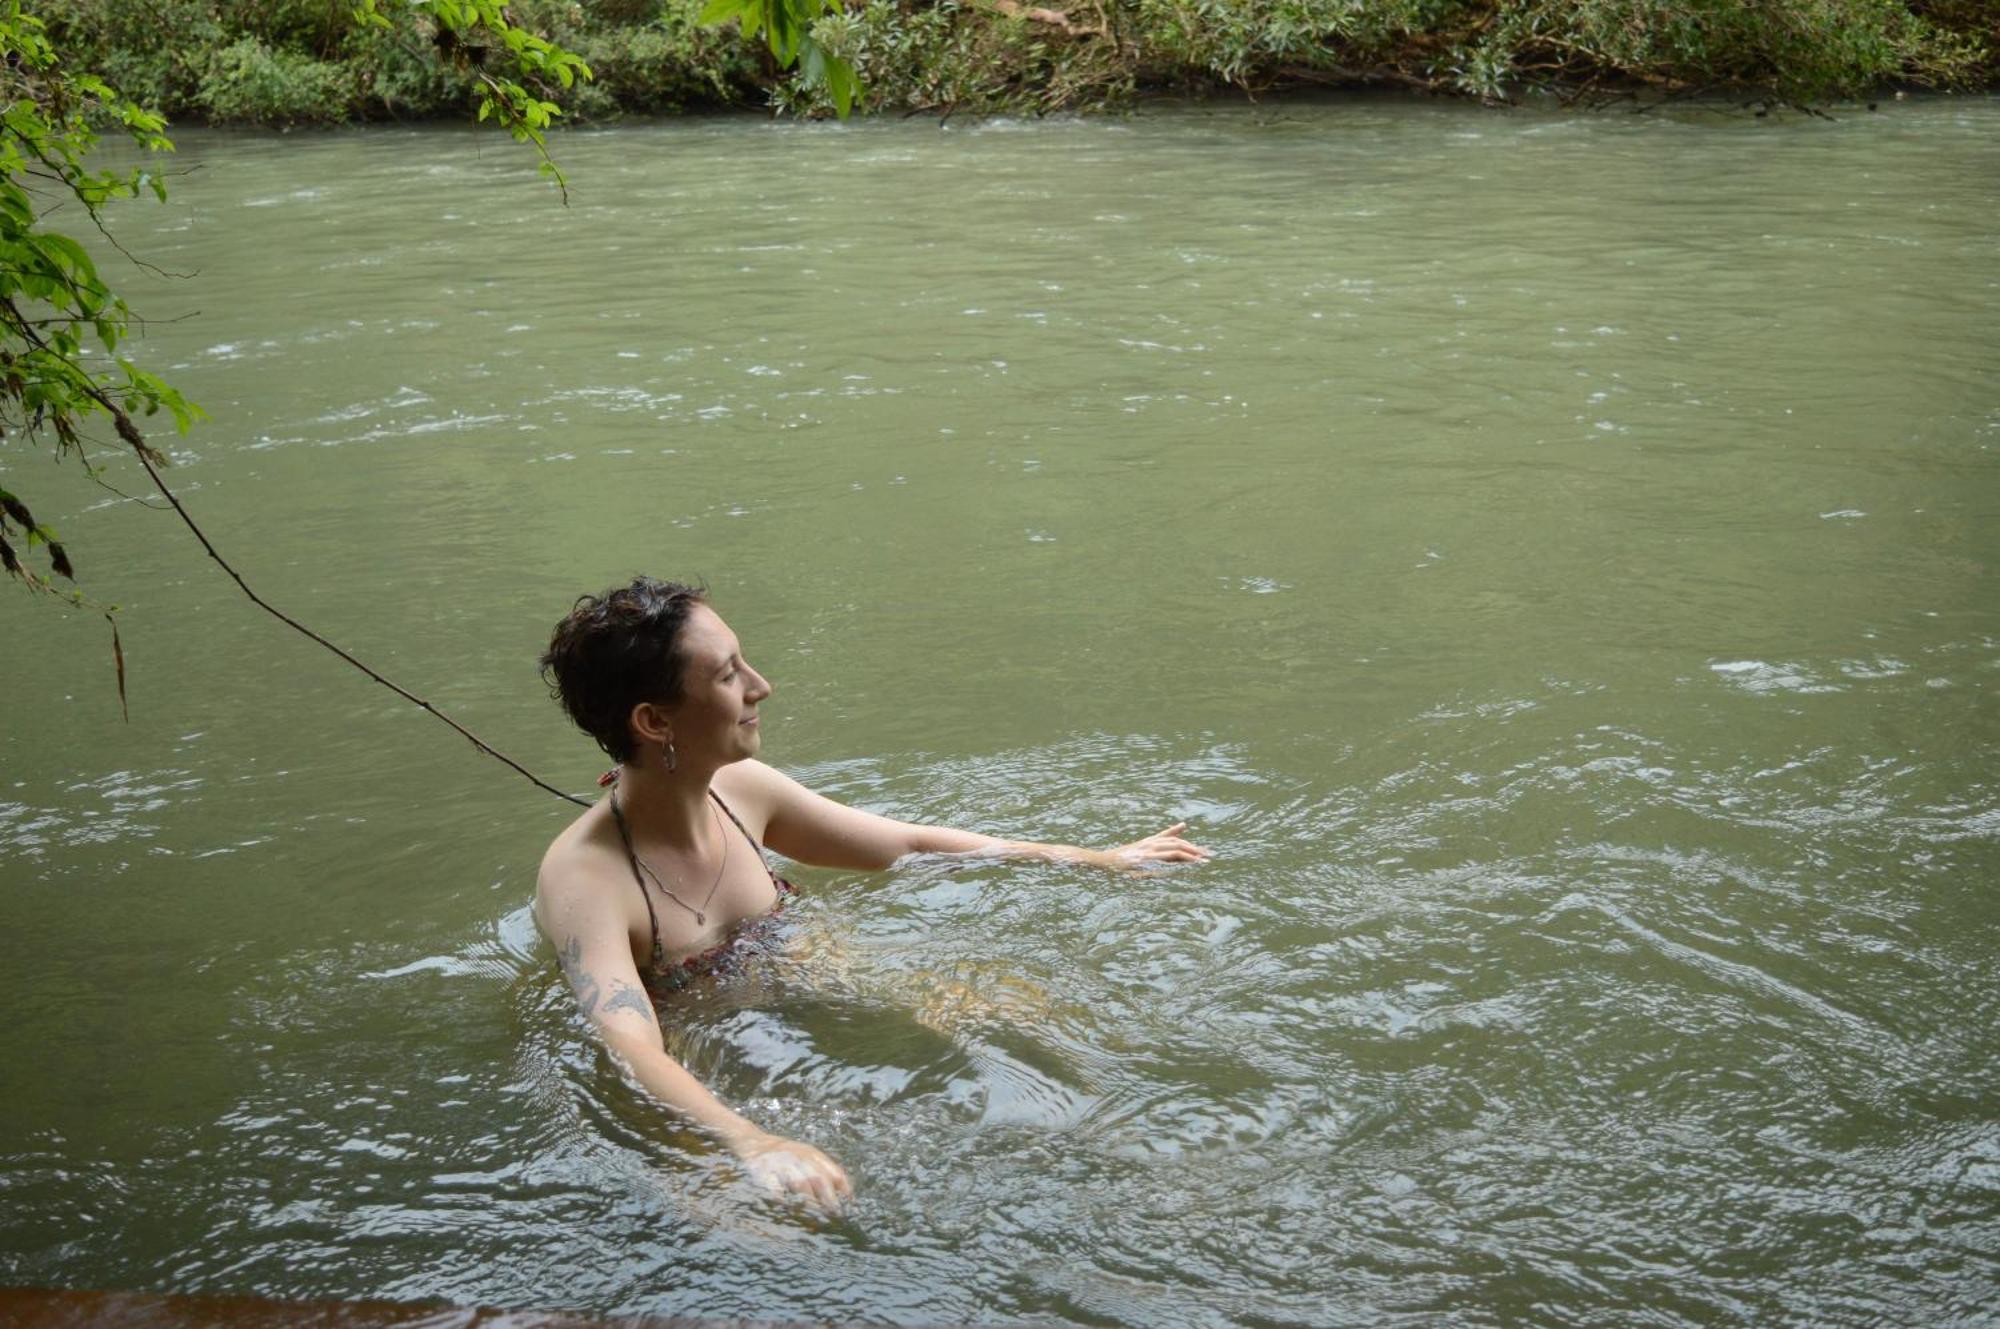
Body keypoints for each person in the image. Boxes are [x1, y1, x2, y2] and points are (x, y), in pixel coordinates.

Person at [534, 577, 1210, 1215]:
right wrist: (752, 1141)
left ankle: (1147, 1162)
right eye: (727, 674)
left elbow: (906, 846)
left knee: (1036, 1020)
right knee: (782, 1227)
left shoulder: (745, 792)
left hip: (806, 976)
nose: (760, 686)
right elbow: (630, 1046)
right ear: (654, 721)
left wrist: (1096, 858)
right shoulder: (585, 879)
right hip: (705, 1065)